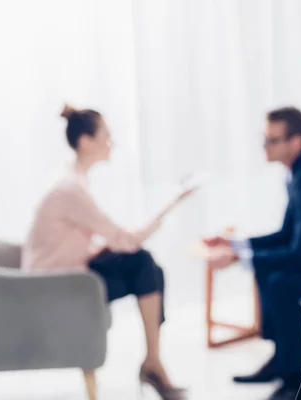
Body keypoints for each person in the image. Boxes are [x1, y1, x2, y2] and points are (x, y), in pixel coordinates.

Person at [21, 104, 191, 400]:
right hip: (57, 284)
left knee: (151, 270)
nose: (111, 143)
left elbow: (72, 239)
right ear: (86, 141)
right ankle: (153, 364)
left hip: (68, 269)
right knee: (143, 262)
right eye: (107, 136)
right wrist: (173, 202)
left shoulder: (71, 178)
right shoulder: (69, 189)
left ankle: (153, 362)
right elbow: (128, 240)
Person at [203, 107, 301, 400]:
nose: (264, 146)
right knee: (267, 270)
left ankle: (293, 378)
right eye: (264, 139)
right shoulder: (300, 172)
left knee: (280, 280)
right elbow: (286, 235)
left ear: (295, 142)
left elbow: (300, 253)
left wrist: (238, 258)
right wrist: (235, 245)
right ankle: (282, 360)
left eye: (271, 140)